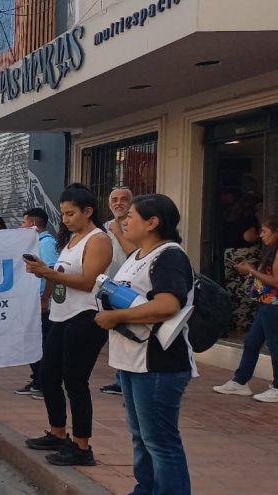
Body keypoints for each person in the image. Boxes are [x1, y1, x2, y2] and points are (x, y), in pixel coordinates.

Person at [93, 194, 197, 494]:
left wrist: (117, 317)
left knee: (160, 441)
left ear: (153, 223)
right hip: (131, 360)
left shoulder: (170, 256)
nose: (124, 221)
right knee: (141, 436)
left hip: (158, 364)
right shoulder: (137, 256)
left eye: (132, 217)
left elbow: (168, 305)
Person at [24, 183, 113, 466]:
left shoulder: (98, 240)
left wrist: (48, 272)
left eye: (71, 213)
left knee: (75, 382)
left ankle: (82, 446)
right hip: (61, 317)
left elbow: (88, 282)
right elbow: (63, 274)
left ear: (88, 211)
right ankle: (58, 432)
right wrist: (44, 271)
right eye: (63, 213)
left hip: (84, 318)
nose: (65, 219)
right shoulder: (72, 239)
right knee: (49, 375)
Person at [214, 214, 278, 402]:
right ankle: (240, 381)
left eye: (265, 231)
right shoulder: (276, 250)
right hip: (267, 304)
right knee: (252, 342)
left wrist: (252, 271)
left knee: (275, 345)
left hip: (276, 305)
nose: (261, 235)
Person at [15, 208, 60, 399]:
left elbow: (51, 272)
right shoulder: (34, 243)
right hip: (32, 301)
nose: (21, 226)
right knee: (32, 342)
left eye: (24, 222)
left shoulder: (47, 244)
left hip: (42, 303)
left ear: (33, 224)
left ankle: (45, 384)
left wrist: (44, 299)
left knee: (42, 344)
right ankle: (38, 379)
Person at [101, 187, 137, 395]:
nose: (118, 203)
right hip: (109, 285)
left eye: (124, 199)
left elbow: (133, 253)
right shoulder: (105, 227)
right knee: (115, 336)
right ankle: (120, 380)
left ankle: (124, 382)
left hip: (129, 288)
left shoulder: (133, 227)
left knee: (125, 334)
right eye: (114, 199)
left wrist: (118, 231)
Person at [222, 192, 263, 336]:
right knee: (247, 290)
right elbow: (249, 236)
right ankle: (245, 323)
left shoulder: (230, 216)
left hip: (229, 254)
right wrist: (261, 236)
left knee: (232, 288)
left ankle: (234, 322)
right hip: (245, 255)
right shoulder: (249, 218)